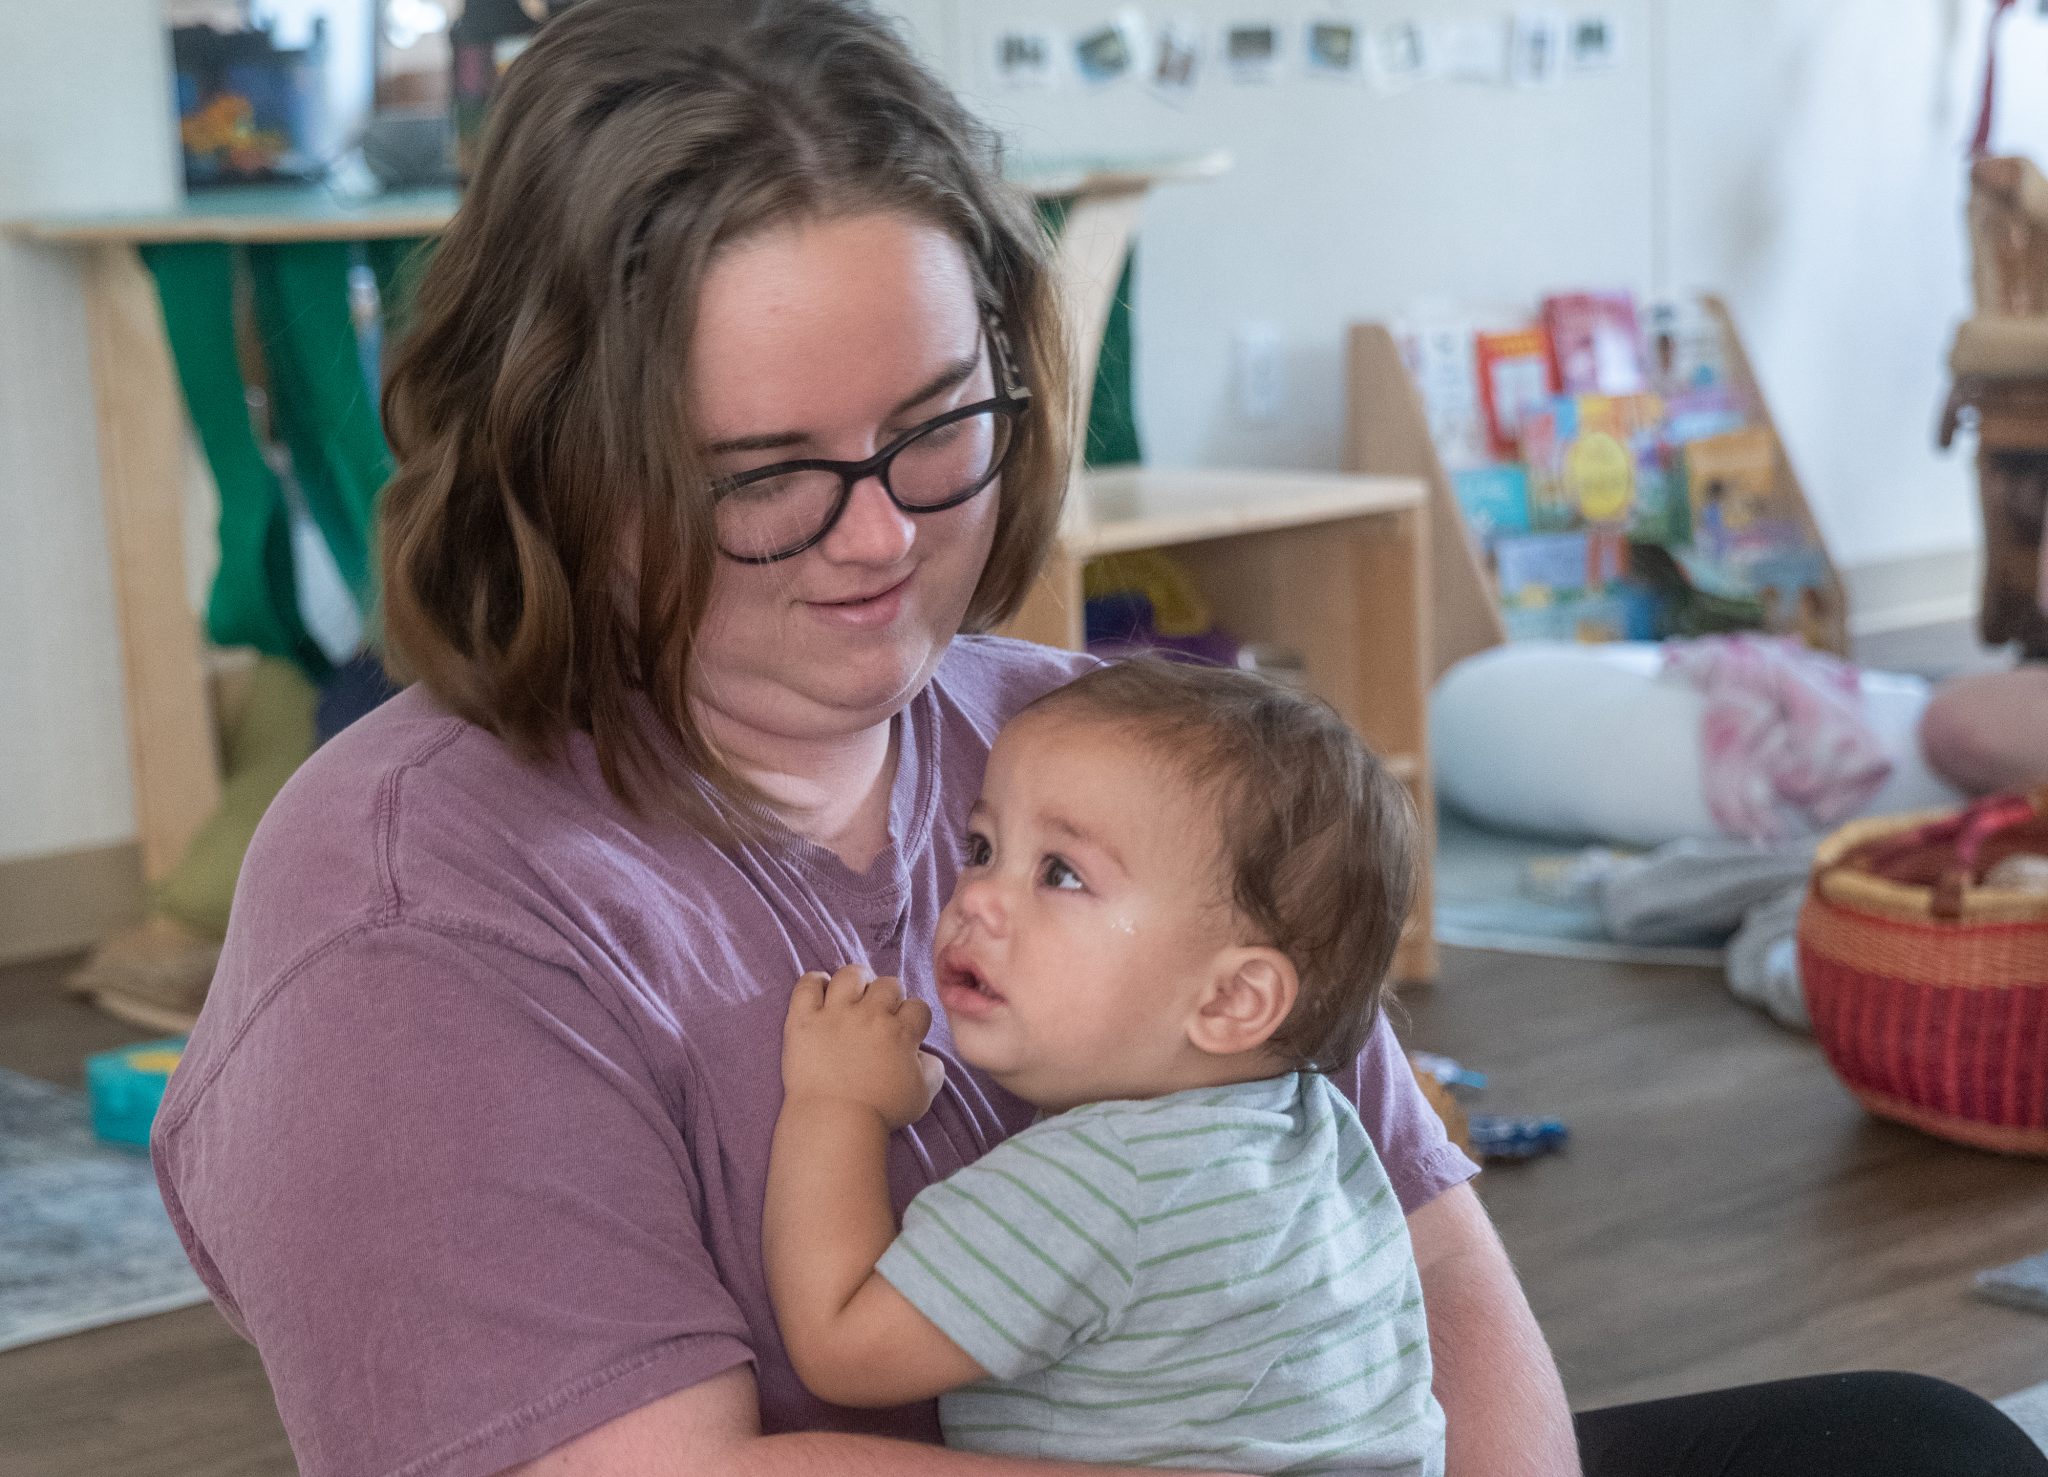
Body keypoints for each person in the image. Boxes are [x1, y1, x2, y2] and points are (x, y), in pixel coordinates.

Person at [148, 2, 2047, 1475]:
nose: (885, 536)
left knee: (1917, 1442)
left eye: (931, 427)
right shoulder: (417, 914)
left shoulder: (1086, 743)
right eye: (764, 477)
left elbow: (1423, 1237)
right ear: (560, 456)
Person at [764, 661, 1443, 1474]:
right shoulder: (1313, 1131)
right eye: (982, 848)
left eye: (1061, 873)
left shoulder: (1095, 1182)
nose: (975, 895)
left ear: (1232, 999)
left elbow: (843, 1344)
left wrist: (837, 1102)